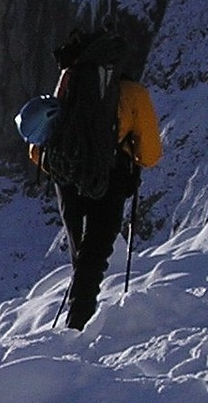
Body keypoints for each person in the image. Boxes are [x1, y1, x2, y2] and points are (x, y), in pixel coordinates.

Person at [41, 25, 162, 329]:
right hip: (110, 175)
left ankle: (77, 316)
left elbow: (42, 143)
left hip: (67, 178)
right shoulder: (133, 93)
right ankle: (79, 323)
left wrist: (63, 166)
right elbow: (150, 154)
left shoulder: (67, 86)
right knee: (95, 251)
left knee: (80, 251)